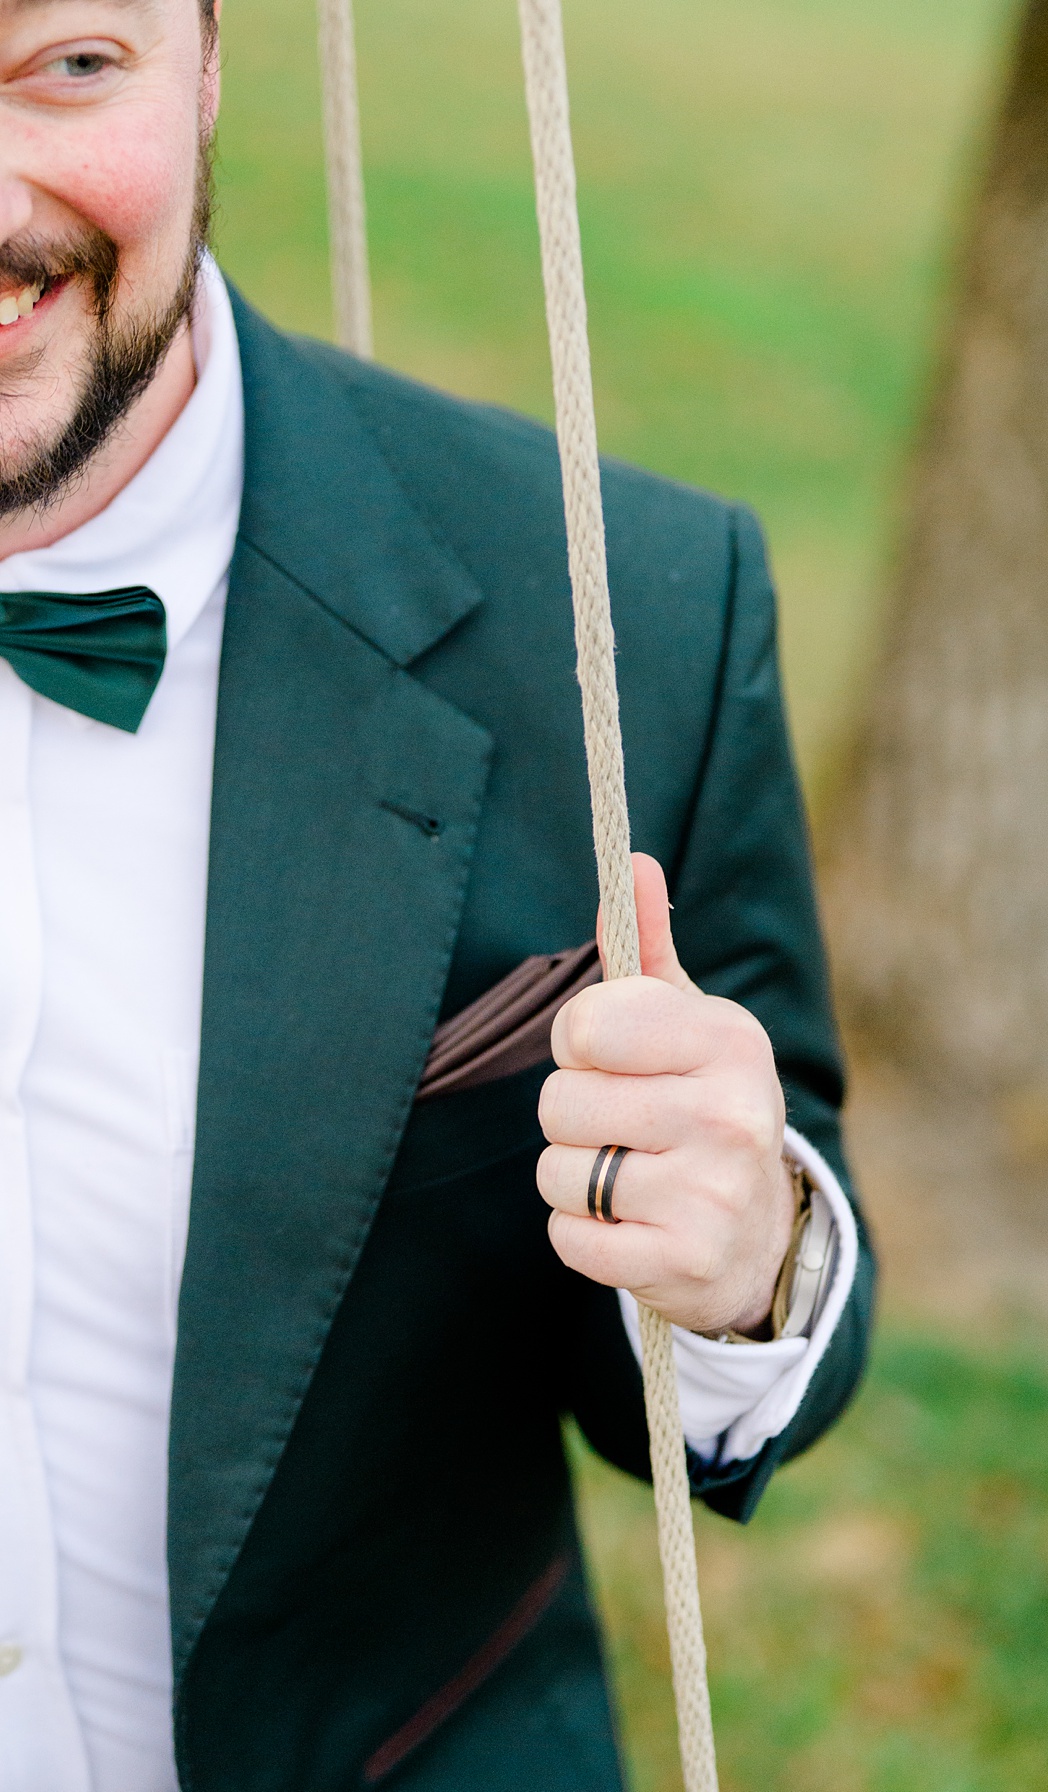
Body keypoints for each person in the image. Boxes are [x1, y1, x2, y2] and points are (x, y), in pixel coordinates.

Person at [0, 5, 872, 1786]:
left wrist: (749, 1252)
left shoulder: (620, 612)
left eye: (68, 60)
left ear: (217, 57)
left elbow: (787, 1249)